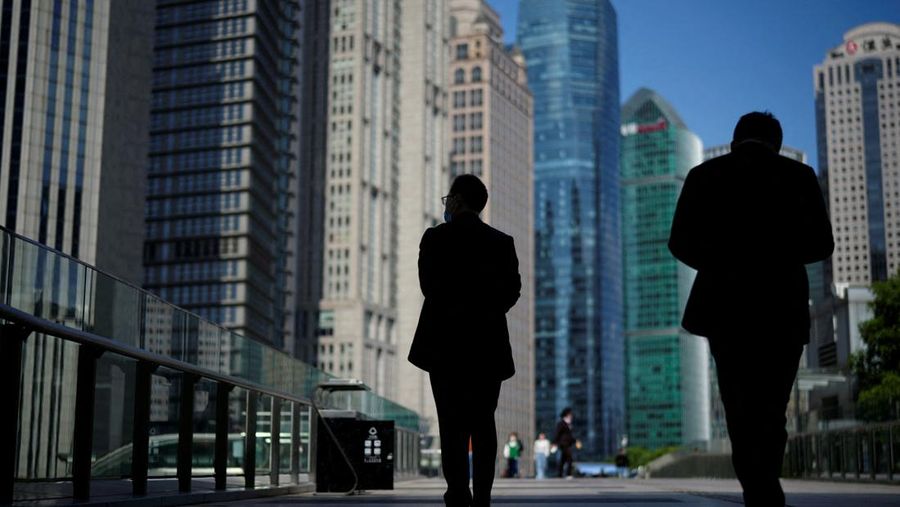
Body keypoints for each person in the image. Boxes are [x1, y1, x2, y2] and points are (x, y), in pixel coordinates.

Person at [668, 112, 834, 507]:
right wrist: (778, 257)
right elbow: (822, 244)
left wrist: (719, 263)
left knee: (738, 402)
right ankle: (766, 481)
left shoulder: (705, 175)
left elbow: (679, 242)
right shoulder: (798, 176)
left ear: (734, 140)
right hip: (781, 307)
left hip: (726, 308)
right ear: (776, 142)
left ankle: (756, 487)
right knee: (772, 405)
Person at [408, 174, 522, 507]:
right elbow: (512, 291)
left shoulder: (435, 238)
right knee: (484, 423)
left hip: (444, 347)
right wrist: (487, 311)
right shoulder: (502, 242)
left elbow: (428, 286)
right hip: (487, 346)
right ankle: (483, 498)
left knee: (451, 424)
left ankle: (458, 494)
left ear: (456, 200)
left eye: (448, 199)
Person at [552, 407, 578, 478]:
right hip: (563, 444)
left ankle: (559, 474)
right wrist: (554, 443)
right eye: (570, 414)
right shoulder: (561, 423)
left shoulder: (569, 424)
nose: (571, 416)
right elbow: (557, 433)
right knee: (570, 458)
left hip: (568, 444)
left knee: (563, 459)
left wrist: (575, 441)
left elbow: (570, 436)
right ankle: (568, 474)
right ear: (566, 415)